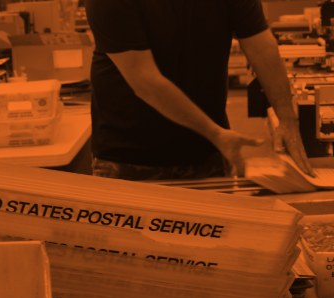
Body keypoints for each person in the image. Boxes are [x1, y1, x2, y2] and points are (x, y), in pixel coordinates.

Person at [85, 0, 315, 181]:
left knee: (213, 239)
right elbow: (146, 81)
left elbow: (262, 47)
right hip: (129, 156)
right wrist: (216, 134)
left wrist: (287, 121)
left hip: (207, 150)